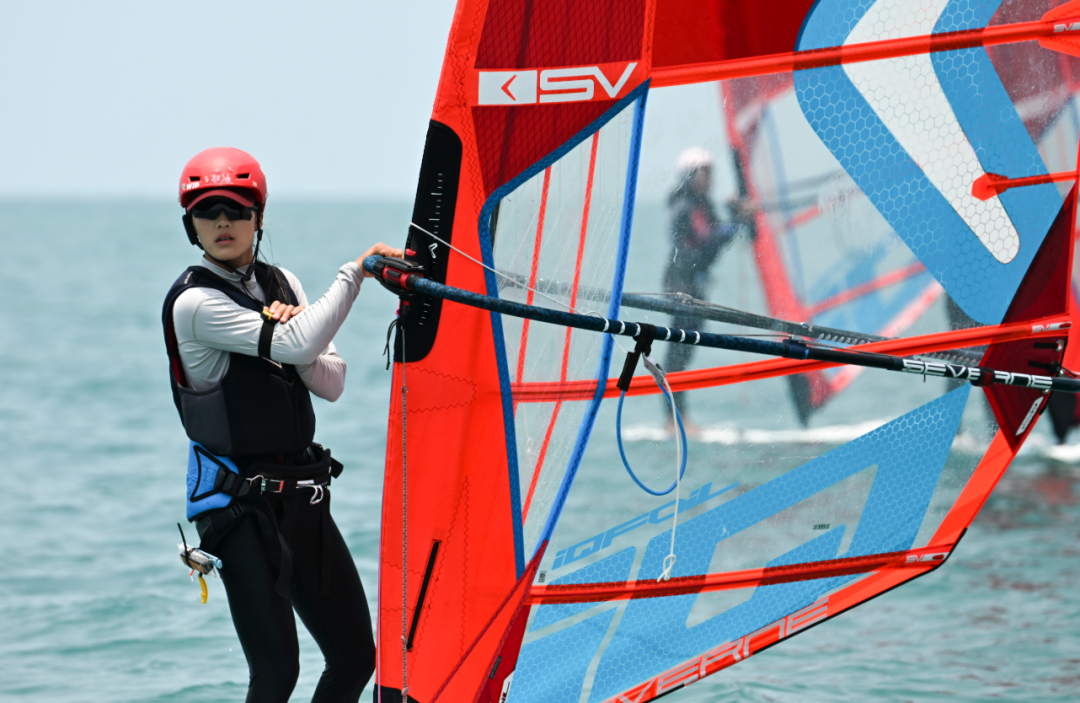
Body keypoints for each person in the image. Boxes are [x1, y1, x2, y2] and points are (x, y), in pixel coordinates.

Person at [161, 147, 401, 703]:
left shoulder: (283, 282)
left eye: (237, 209)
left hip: (302, 497)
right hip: (239, 510)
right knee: (276, 675)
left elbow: (331, 382)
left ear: (259, 216)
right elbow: (296, 343)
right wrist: (356, 271)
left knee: (355, 658)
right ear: (191, 225)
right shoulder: (193, 302)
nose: (223, 221)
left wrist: (299, 344)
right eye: (207, 211)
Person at [661, 147, 744, 428]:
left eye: (711, 172)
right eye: (703, 173)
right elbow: (706, 240)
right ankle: (675, 418)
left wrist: (736, 218)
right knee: (678, 353)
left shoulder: (703, 204)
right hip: (680, 285)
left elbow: (716, 239)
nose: (709, 178)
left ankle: (676, 416)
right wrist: (734, 221)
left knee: (685, 352)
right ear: (689, 175)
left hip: (694, 285)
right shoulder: (685, 206)